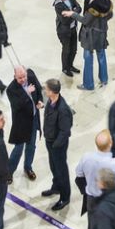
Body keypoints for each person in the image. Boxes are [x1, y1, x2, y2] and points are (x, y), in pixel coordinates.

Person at [39, 78, 74, 212]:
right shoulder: (51, 101)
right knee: (54, 167)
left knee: (61, 170)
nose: (45, 91)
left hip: (57, 145)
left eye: (46, 89)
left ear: (52, 92)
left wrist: (56, 145)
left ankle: (65, 197)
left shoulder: (63, 109)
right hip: (50, 141)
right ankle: (56, 187)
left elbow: (65, 131)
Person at [6, 65, 44, 180]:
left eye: (24, 77)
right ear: (15, 77)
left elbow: (38, 89)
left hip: (33, 119)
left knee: (31, 146)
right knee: (18, 148)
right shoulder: (11, 89)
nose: (23, 80)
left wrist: (40, 101)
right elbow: (16, 105)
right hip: (21, 123)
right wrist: (26, 92)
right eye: (20, 78)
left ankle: (28, 167)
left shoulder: (31, 76)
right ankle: (9, 171)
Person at [53, 0, 82, 76]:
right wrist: (74, 13)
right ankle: (65, 68)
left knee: (74, 49)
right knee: (66, 50)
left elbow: (79, 8)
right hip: (64, 31)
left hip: (73, 28)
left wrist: (71, 13)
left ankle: (70, 65)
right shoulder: (58, 5)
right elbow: (65, 21)